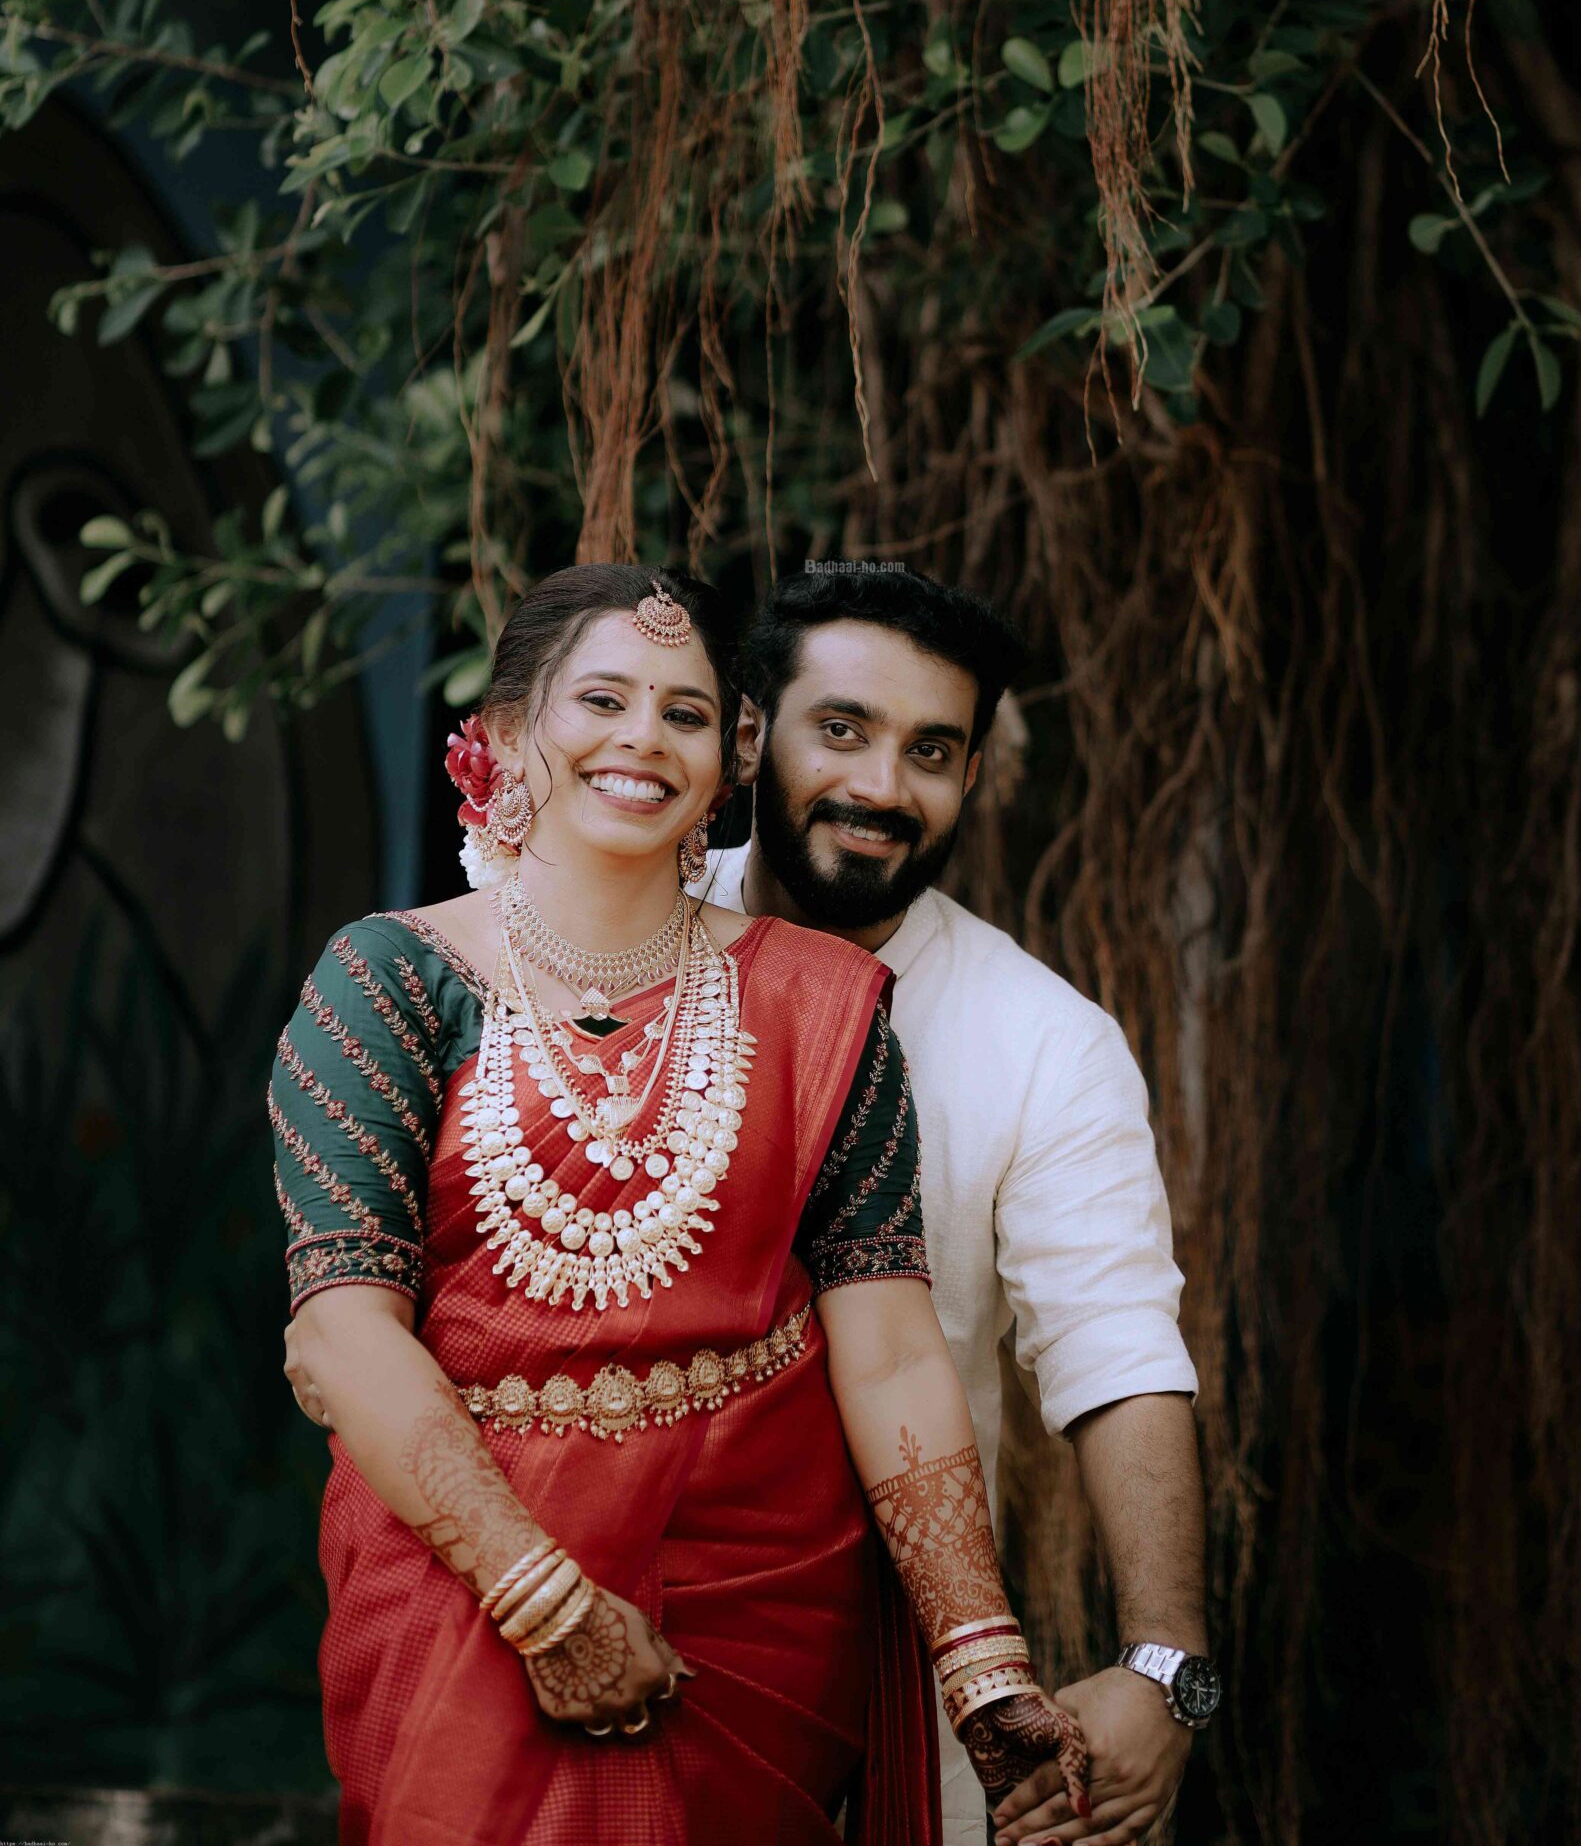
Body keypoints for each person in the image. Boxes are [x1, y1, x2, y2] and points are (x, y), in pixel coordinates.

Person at [271, 564, 1091, 1846]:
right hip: (461, 1586)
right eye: (602, 697)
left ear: (733, 763)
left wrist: (981, 1657)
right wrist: (543, 1600)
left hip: (756, 1603)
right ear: (501, 734)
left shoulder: (821, 1006)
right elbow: (339, 1334)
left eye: (688, 713)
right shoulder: (383, 983)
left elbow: (888, 1351)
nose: (644, 737)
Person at [707, 564, 1216, 1846]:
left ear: (974, 774)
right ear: (753, 731)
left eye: (932, 749)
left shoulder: (1046, 1041)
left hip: (890, 1670)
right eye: (843, 730)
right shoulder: (614, 923)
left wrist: (1166, 1663)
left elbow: (1117, 1353)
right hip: (593, 1626)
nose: (884, 785)